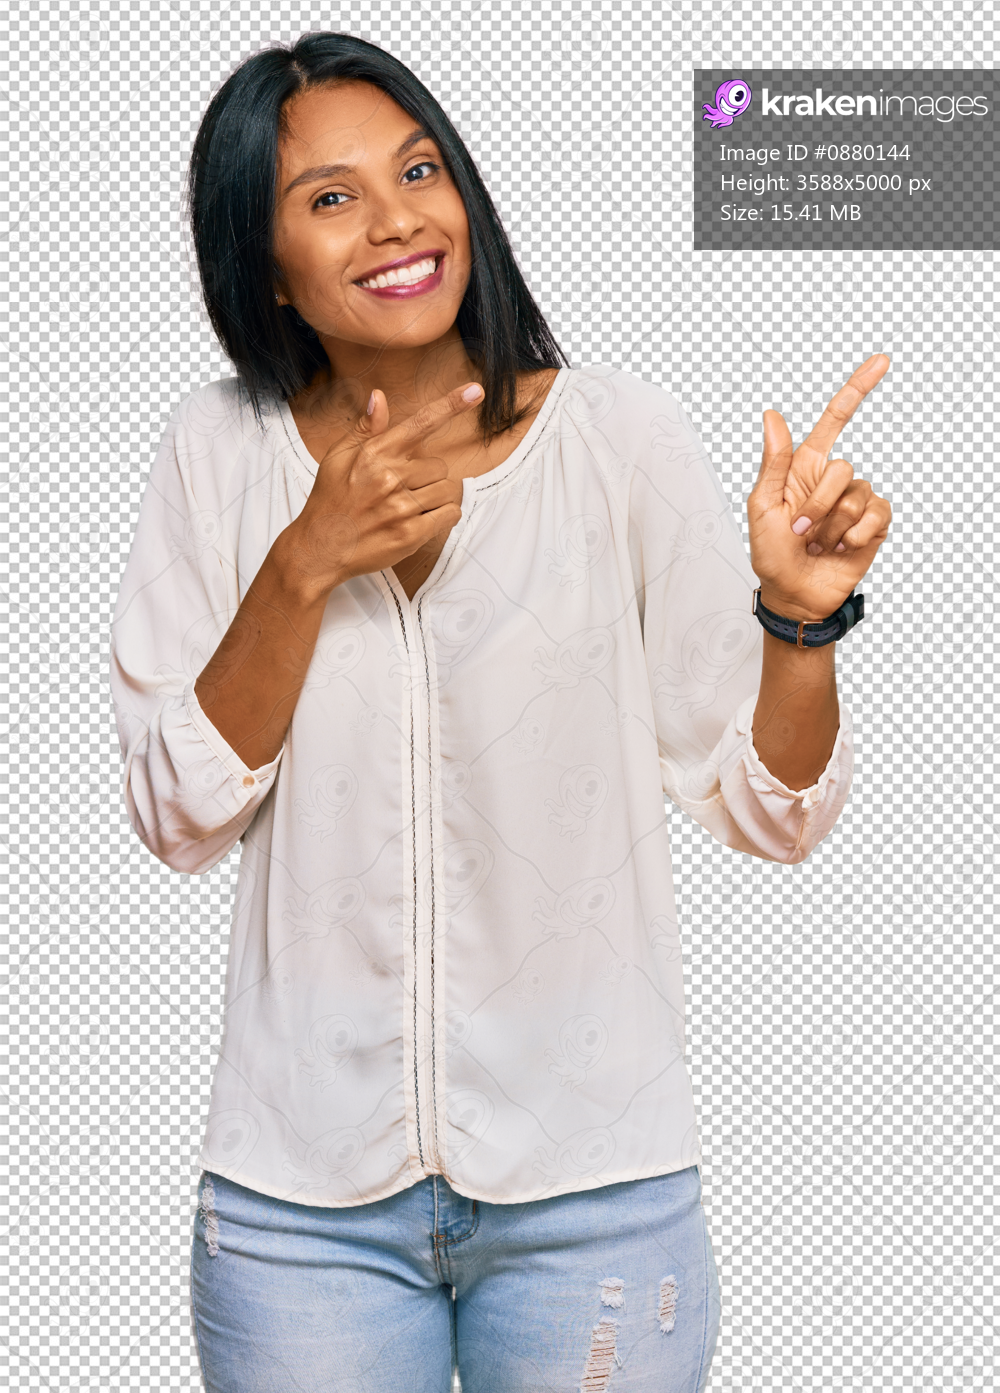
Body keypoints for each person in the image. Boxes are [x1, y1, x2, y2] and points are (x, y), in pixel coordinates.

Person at [109, 31, 891, 1393]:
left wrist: (798, 619)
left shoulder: (615, 441)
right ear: (267, 265)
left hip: (599, 1195)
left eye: (419, 171)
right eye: (331, 196)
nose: (396, 219)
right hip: (301, 1214)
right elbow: (178, 814)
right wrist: (304, 561)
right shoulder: (216, 453)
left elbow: (773, 814)